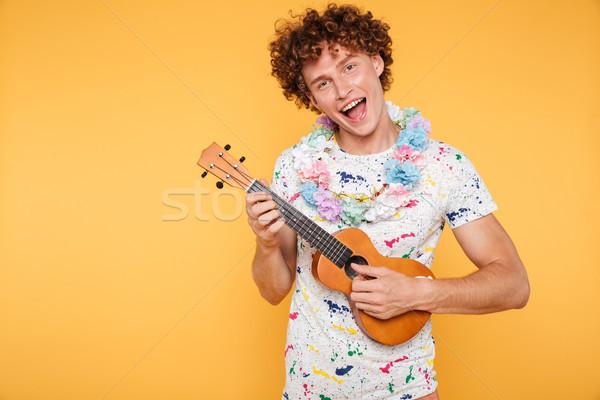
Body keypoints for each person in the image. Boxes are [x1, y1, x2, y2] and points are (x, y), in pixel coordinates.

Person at [245, 4, 529, 399]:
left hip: (409, 391)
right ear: (312, 100)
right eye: (322, 83)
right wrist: (266, 242)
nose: (342, 90)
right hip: (309, 390)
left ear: (376, 62)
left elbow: (514, 285)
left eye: (349, 67)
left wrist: (416, 294)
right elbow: (274, 291)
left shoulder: (445, 165)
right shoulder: (293, 165)